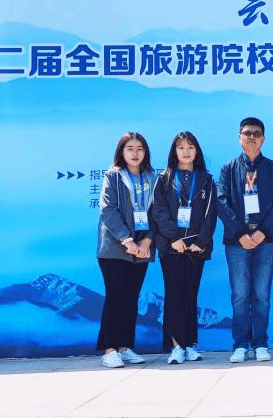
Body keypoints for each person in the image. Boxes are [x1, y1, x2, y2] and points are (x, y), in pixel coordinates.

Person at [216, 117, 273, 364]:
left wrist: (262, 232)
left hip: (265, 240)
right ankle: (240, 344)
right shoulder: (228, 168)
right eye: (247, 133)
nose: (252, 137)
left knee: (261, 295)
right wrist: (240, 233)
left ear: (263, 138)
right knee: (239, 295)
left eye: (256, 133)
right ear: (239, 138)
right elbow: (221, 202)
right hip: (236, 242)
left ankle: (260, 344)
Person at [151, 131, 218, 364]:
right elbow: (158, 211)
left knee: (190, 294)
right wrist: (173, 238)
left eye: (190, 147)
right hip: (171, 246)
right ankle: (176, 346)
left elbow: (211, 214)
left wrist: (201, 242)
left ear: (197, 151)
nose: (186, 152)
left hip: (196, 247)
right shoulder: (164, 178)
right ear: (174, 151)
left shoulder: (207, 179)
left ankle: (190, 344)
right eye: (181, 147)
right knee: (174, 294)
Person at [96, 132, 158, 368]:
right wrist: (127, 240)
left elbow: (157, 212)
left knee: (132, 298)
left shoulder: (152, 178)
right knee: (116, 297)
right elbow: (108, 210)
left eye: (140, 148)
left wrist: (147, 241)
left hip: (142, 248)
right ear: (121, 152)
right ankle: (110, 349)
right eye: (130, 148)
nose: (135, 153)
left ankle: (125, 347)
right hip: (115, 247)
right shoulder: (113, 176)